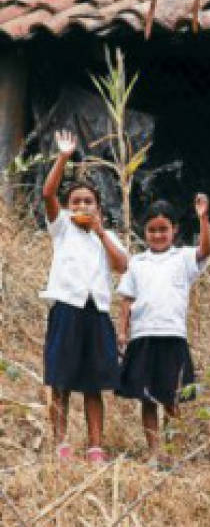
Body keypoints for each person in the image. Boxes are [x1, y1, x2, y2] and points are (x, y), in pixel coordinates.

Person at [39, 129, 129, 463]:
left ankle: (95, 445)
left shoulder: (105, 237)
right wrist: (63, 157)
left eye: (87, 202)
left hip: (97, 312)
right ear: (66, 208)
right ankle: (61, 443)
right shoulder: (61, 227)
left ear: (98, 209)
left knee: (93, 383)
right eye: (75, 201)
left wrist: (102, 231)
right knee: (60, 378)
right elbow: (48, 193)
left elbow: (122, 266)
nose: (81, 206)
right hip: (66, 308)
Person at [116, 195, 210, 462]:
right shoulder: (136, 262)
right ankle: (154, 451)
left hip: (172, 334)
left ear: (175, 230)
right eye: (152, 230)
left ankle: (171, 452)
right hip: (143, 335)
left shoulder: (183, 258)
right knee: (146, 397)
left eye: (163, 229)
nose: (158, 235)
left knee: (171, 396)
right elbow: (127, 298)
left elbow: (205, 250)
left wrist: (203, 218)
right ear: (144, 231)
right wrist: (123, 331)